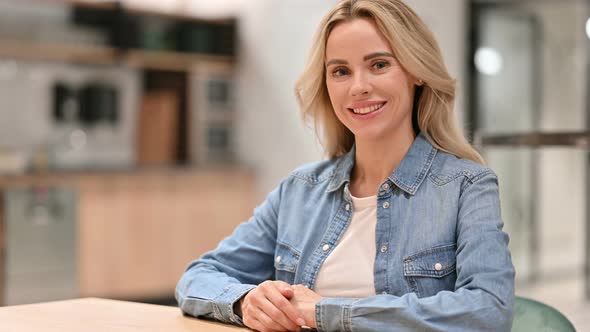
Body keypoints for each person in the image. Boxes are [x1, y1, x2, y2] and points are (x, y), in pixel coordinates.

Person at [176, 0, 515, 331]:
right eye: (340, 71)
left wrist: (324, 311)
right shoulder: (299, 191)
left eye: (379, 65)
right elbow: (196, 278)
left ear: (416, 72)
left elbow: (487, 310)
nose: (359, 87)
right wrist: (246, 301)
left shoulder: (467, 186)